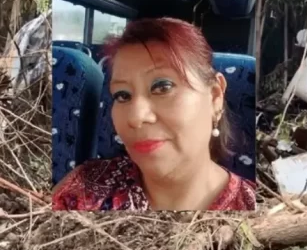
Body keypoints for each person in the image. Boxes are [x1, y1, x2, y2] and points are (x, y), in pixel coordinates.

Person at [52, 17, 256, 211]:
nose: (136, 117)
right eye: (122, 95)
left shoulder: (254, 206)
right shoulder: (81, 191)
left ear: (215, 97)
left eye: (163, 87)